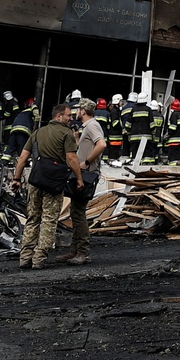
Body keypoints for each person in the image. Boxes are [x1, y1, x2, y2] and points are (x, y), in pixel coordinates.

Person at [10, 104, 82, 270]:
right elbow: (71, 158)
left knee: (33, 218)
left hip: (36, 180)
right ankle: (39, 259)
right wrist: (79, 179)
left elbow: (22, 157)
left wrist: (16, 178)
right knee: (49, 219)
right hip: (54, 183)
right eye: (68, 116)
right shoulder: (66, 134)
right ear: (58, 116)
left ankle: (25, 257)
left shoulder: (37, 132)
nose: (71, 118)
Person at [64, 102, 107, 265]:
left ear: (83, 111)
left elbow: (101, 144)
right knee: (76, 212)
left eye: (77, 110)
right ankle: (75, 250)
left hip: (87, 174)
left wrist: (87, 162)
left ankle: (83, 252)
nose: (75, 113)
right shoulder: (87, 127)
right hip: (84, 173)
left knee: (79, 213)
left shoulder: (91, 125)